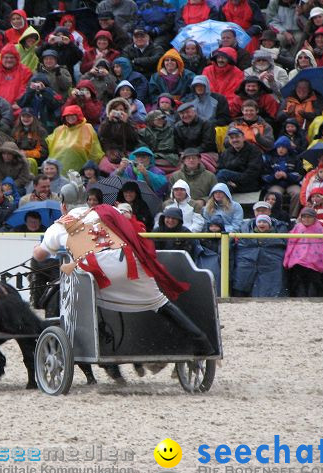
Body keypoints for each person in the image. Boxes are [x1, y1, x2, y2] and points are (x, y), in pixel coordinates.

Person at [32, 175, 214, 356]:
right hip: (129, 261)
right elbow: (128, 219)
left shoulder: (59, 226)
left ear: (63, 205)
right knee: (160, 303)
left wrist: (36, 249)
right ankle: (201, 341)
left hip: (98, 270)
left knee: (79, 294)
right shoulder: (104, 210)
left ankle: (99, 339)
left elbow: (40, 256)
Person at [283, 207, 323, 297]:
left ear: (314, 218)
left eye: (309, 217)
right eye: (304, 217)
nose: (306, 219)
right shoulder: (297, 228)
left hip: (316, 262)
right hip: (298, 262)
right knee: (298, 278)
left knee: (313, 280)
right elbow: (291, 244)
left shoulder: (320, 229)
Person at [232, 214, 287, 297]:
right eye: (260, 222)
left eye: (264, 222)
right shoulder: (246, 235)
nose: (262, 224)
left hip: (269, 263)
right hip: (249, 263)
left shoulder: (278, 236)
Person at [46, 105, 104, 174]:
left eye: (73, 115)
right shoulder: (59, 130)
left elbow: (94, 149)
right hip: (57, 171)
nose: (70, 117)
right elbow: (49, 144)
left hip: (79, 170)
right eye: (67, 115)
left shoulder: (87, 128)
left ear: (78, 115)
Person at [261, 136, 304, 217]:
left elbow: (299, 175)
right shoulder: (270, 158)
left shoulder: (295, 158)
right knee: (275, 195)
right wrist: (274, 176)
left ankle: (293, 216)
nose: (281, 149)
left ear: (288, 148)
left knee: (298, 193)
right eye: (279, 147)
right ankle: (276, 215)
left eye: (284, 147)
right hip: (275, 184)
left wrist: (286, 176)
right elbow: (264, 175)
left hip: (291, 183)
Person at [216, 128, 262, 193]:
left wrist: (236, 184)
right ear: (229, 140)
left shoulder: (254, 151)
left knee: (223, 173)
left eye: (237, 137)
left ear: (243, 138)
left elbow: (253, 173)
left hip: (249, 184)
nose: (234, 140)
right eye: (232, 138)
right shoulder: (226, 153)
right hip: (230, 183)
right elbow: (218, 169)